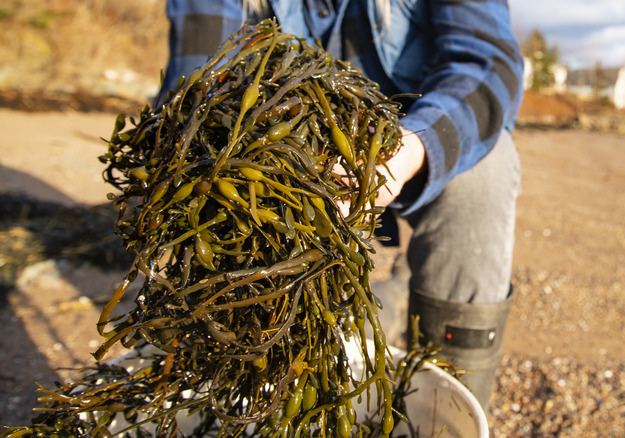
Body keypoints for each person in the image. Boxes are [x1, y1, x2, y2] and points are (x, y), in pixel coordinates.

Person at [159, 0, 523, 410]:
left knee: (484, 172)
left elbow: (489, 65)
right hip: (283, 163)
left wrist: (411, 149)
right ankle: (264, 375)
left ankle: (451, 406)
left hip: (410, 142)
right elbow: (199, 87)